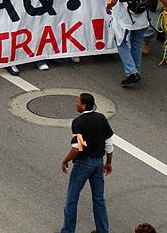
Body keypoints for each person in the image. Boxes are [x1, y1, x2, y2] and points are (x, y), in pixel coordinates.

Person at [106, 0, 167, 85]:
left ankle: (131, 72)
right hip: (142, 15)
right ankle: (136, 71)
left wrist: (109, 6)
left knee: (120, 41)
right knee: (136, 42)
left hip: (126, 16)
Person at [60, 92, 113, 233]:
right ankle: (103, 230)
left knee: (72, 199)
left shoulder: (78, 122)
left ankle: (68, 231)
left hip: (83, 164)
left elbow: (77, 148)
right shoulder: (101, 118)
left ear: (84, 106)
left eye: (78, 101)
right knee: (99, 199)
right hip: (98, 163)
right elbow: (109, 143)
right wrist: (108, 162)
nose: (76, 103)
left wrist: (66, 160)